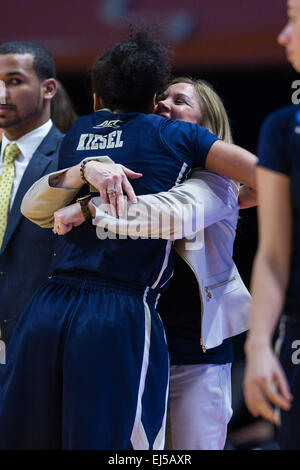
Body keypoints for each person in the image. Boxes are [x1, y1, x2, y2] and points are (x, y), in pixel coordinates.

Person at [7, 31, 256, 450]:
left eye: (180, 101)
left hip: (192, 348)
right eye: (162, 99)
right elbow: (36, 207)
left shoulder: (213, 182)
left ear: (207, 124)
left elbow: (165, 215)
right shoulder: (134, 145)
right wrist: (84, 171)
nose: (163, 107)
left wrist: (85, 208)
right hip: (125, 323)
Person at [243, 0, 300, 450]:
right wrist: (259, 346)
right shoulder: (282, 128)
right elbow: (273, 253)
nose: (283, 34)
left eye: (295, 20)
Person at [0, 41, 62, 347]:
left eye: (13, 82)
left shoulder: (71, 159)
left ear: (48, 89)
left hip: (36, 337)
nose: (2, 94)